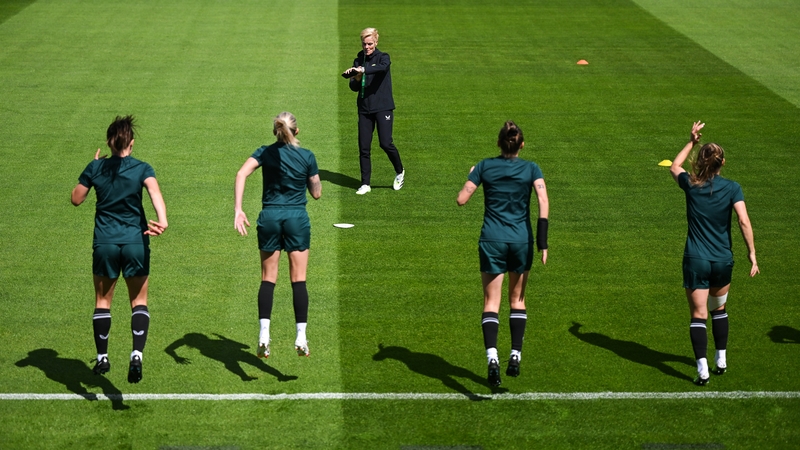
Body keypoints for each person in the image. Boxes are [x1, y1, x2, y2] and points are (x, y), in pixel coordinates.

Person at [71, 115, 168, 384]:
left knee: (103, 302)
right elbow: (155, 192)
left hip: (105, 243)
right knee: (139, 301)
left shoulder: (96, 168)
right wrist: (163, 219)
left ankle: (102, 357)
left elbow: (76, 199)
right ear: (131, 143)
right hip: (136, 242)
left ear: (109, 142)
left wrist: (93, 167)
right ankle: (136, 353)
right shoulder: (142, 168)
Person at [457, 120, 549, 387]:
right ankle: (515, 354)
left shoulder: (485, 166)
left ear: (498, 143)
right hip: (521, 241)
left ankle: (492, 359)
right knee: (517, 299)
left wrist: (474, 174)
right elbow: (543, 200)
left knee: (491, 302)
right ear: (522, 145)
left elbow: (462, 199)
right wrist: (542, 243)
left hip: (492, 241)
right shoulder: (532, 168)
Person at [670, 121, 759, 386]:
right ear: (723, 163)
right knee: (718, 310)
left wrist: (691, 141)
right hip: (722, 260)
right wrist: (752, 253)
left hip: (696, 259)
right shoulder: (733, 188)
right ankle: (721, 359)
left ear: (700, 162)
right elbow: (744, 221)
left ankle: (702, 370)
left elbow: (675, 167)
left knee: (698, 315)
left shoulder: (690, 185)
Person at [234, 111, 322, 359]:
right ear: (296, 131)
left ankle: (264, 335)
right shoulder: (307, 156)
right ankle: (301, 337)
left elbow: (241, 174)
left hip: (270, 218)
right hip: (296, 219)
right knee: (299, 280)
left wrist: (239, 210)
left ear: (276, 131)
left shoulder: (264, 152)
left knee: (268, 279)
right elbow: (316, 193)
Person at [342, 27, 405, 195]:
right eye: (364, 44)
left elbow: (381, 69)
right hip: (364, 108)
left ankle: (400, 171)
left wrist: (363, 70)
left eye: (370, 43)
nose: (367, 47)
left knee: (385, 143)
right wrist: (355, 76)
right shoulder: (358, 59)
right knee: (364, 147)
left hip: (383, 107)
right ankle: (365, 184)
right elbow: (354, 87)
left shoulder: (384, 58)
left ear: (376, 42)